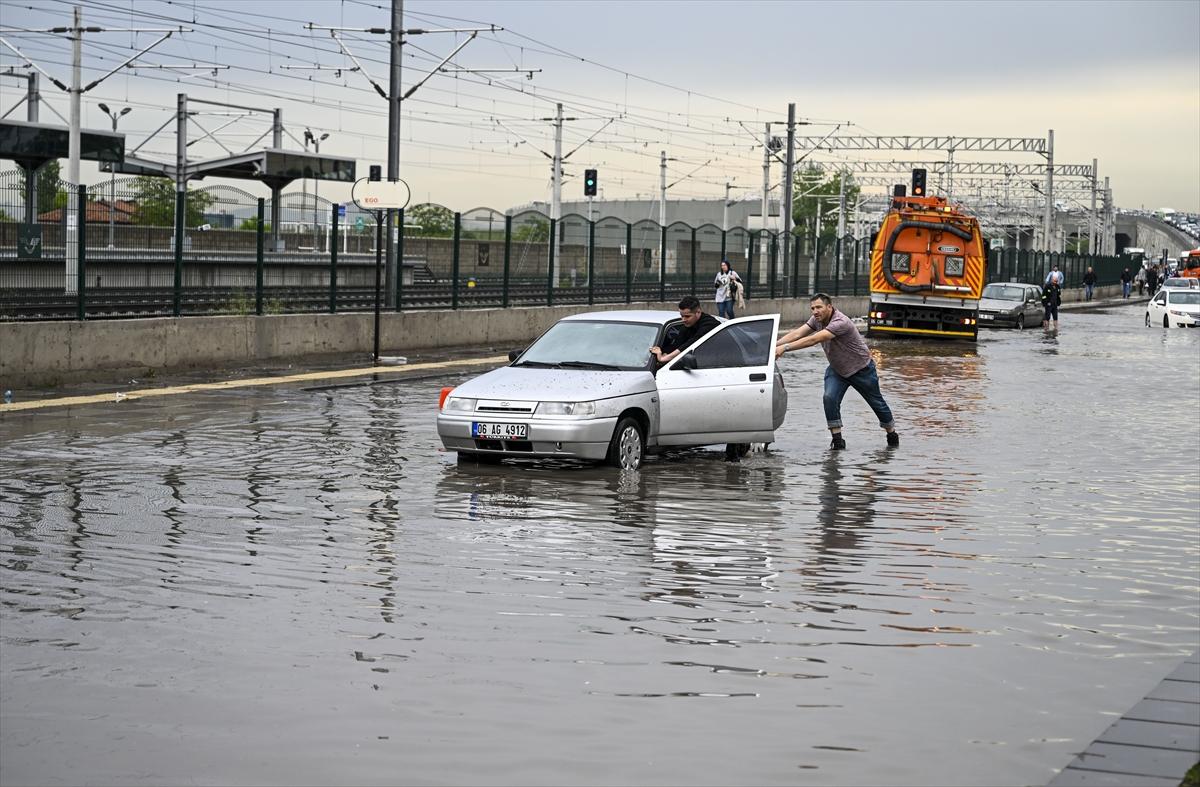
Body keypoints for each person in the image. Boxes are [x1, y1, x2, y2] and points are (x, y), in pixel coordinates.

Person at [774, 293, 899, 451]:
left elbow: (814, 339)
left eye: (819, 307)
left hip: (861, 369)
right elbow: (798, 333)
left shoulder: (840, 322)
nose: (815, 311)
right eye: (812, 308)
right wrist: (774, 344)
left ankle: (892, 434)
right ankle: (838, 441)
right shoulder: (816, 319)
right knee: (829, 397)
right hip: (837, 369)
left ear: (829, 307)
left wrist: (784, 348)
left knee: (877, 404)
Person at [650, 295, 721, 365]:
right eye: (682, 316)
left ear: (698, 312)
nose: (683, 320)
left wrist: (664, 358)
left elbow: (691, 343)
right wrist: (662, 352)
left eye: (687, 316)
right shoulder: (687, 326)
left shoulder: (710, 324)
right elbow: (677, 345)